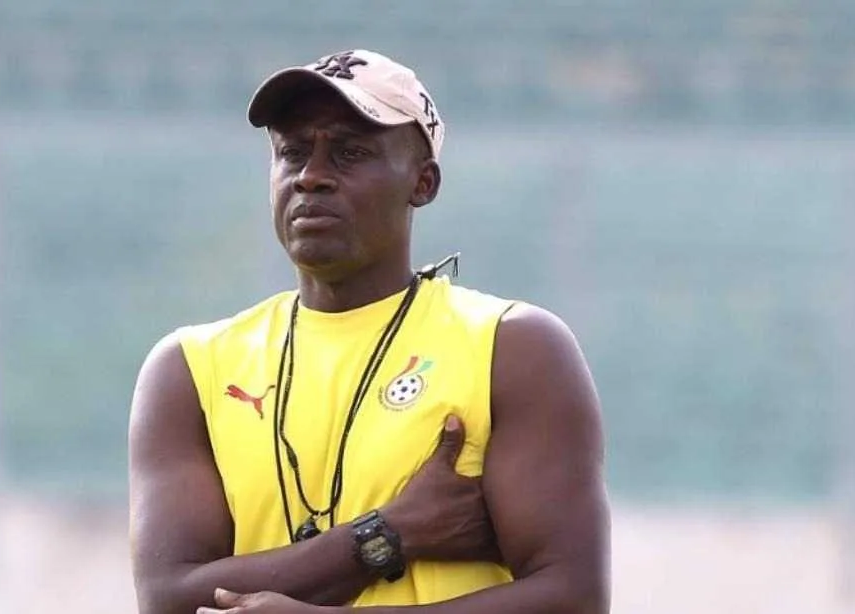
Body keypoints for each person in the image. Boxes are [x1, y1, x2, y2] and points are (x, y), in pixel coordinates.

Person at [128, 49, 610, 614]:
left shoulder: (512, 349)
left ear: (422, 183)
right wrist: (389, 533)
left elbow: (573, 598)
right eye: (292, 152)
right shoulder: (191, 368)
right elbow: (168, 599)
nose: (311, 177)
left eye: (350, 153)